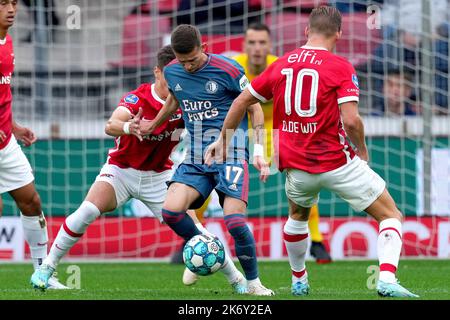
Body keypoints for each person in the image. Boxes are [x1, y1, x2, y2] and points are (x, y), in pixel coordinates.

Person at [205, 6, 418, 298]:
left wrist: (222, 141)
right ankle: (386, 279)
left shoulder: (281, 63)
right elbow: (352, 120)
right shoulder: (341, 66)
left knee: (297, 217)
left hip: (295, 165)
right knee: (391, 214)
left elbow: (241, 100)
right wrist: (363, 150)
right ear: (339, 34)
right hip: (337, 163)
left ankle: (299, 279)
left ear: (306, 31)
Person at [30, 45, 245, 291]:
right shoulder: (138, 98)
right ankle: (46, 269)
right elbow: (111, 124)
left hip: (160, 176)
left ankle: (238, 281)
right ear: (157, 72)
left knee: (196, 231)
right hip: (121, 171)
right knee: (87, 211)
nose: (178, 79)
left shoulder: (186, 101)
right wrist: (128, 127)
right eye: (171, 74)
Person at [142, 24, 274, 296]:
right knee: (171, 211)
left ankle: (253, 284)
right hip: (197, 155)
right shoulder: (173, 71)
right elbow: (173, 102)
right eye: (183, 61)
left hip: (232, 152)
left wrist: (259, 152)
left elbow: (255, 108)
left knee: (235, 223)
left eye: (193, 60)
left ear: (204, 48)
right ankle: (206, 247)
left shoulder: (228, 70)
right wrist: (151, 125)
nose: (188, 67)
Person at [233, 22, 332, 263]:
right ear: (245, 46)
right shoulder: (235, 67)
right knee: (211, 166)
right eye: (252, 43)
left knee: (303, 175)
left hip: (275, 127)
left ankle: (316, 240)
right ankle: (193, 232)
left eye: (262, 43)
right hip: (241, 127)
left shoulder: (283, 66)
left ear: (269, 45)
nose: (257, 48)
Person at [0, 0, 66, 289]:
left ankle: (42, 273)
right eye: (3, 4)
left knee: (31, 201)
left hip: (5, 143)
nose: (11, 9)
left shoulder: (8, 42)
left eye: (14, 3)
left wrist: (15, 127)